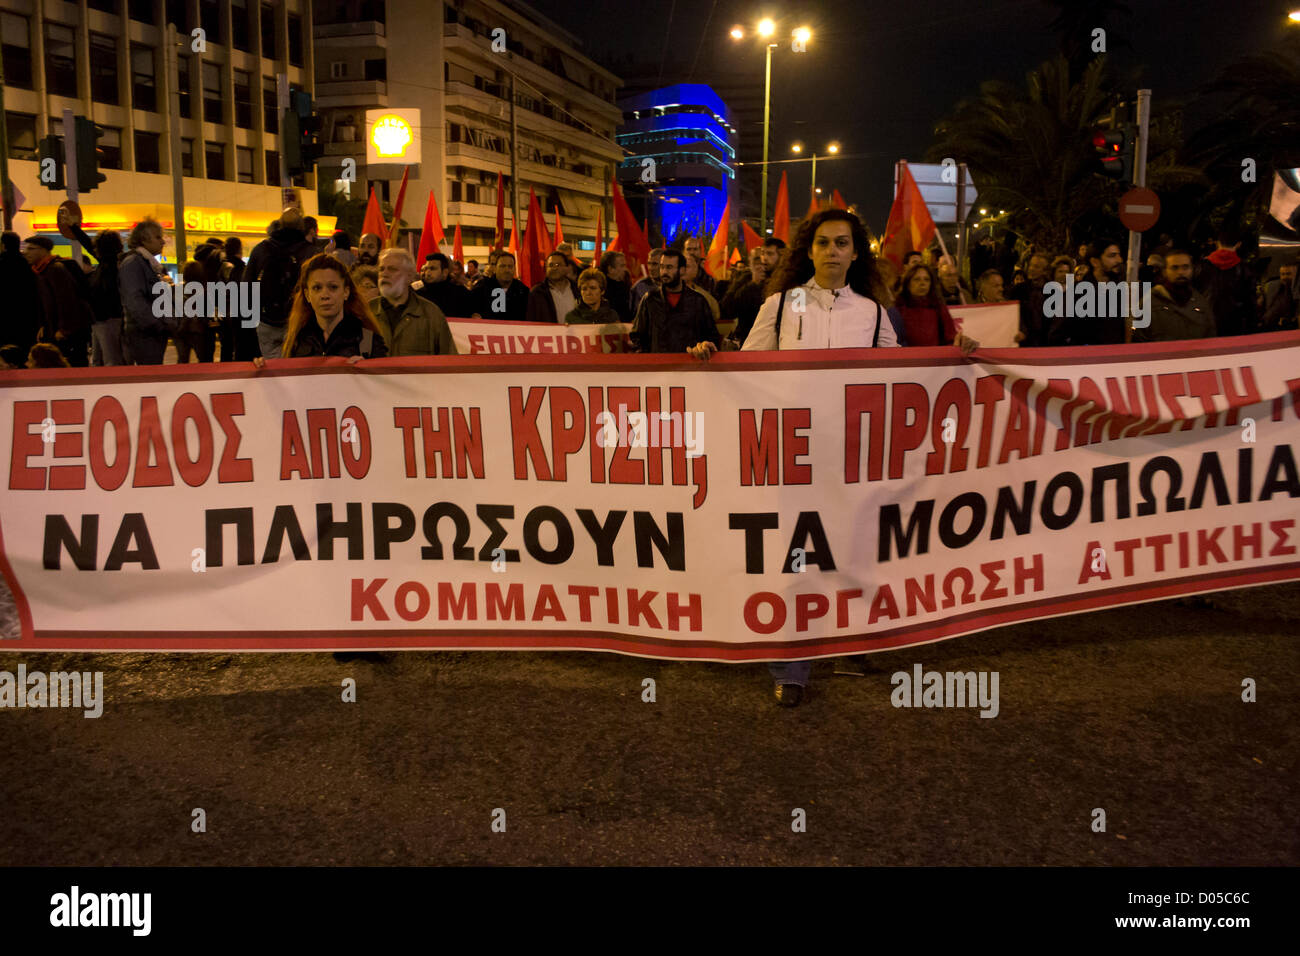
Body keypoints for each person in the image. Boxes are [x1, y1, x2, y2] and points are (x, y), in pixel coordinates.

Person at [697, 210, 923, 705]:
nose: (832, 251)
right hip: (792, 453)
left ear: (855, 252)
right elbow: (747, 365)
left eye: (841, 243)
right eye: (822, 242)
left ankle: (849, 641)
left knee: (852, 547)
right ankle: (791, 664)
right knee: (796, 552)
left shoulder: (873, 312)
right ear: (810, 250)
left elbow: (902, 374)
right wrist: (712, 356)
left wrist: (961, 355)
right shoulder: (780, 306)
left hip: (850, 452)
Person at [253, 254, 388, 363]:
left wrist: (368, 373)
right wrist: (263, 372)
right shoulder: (295, 341)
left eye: (333, 287)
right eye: (317, 288)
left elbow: (385, 389)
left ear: (346, 292)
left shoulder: (368, 341)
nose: (325, 295)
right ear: (307, 295)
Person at [248, 208, 317, 358]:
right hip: (299, 321)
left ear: (280, 224)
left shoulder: (261, 250)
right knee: (296, 371)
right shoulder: (310, 252)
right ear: (302, 227)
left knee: (272, 370)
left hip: (267, 321)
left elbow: (246, 286)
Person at [630, 248, 720, 355]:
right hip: (659, 366)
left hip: (689, 365)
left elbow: (711, 336)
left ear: (682, 270)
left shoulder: (697, 301)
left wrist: (703, 347)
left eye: (669, 267)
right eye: (662, 267)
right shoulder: (650, 299)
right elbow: (637, 336)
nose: (664, 272)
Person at [371, 248, 457, 356]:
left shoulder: (431, 314)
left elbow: (448, 360)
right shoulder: (366, 311)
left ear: (410, 277)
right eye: (381, 269)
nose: (384, 274)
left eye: (392, 269)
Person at [24, 236, 93, 366]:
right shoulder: (41, 270)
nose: (26, 252)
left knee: (72, 364)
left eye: (31, 249)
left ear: (44, 250)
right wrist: (44, 325)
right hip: (56, 329)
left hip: (68, 331)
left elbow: (67, 300)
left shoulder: (55, 269)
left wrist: (64, 329)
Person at [119, 217, 175, 365]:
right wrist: (157, 324)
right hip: (145, 333)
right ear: (144, 239)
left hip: (150, 331)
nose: (162, 241)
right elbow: (135, 300)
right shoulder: (134, 263)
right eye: (157, 237)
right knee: (151, 375)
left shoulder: (149, 263)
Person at [1136, 250, 1216, 342]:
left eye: (1185, 267)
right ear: (1165, 271)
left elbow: (1210, 337)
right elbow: (1139, 340)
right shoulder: (1149, 303)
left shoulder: (1200, 303)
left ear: (1192, 270)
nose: (1181, 272)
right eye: (1175, 268)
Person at [892, 262, 971, 348]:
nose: (922, 283)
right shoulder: (897, 310)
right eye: (917, 279)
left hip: (935, 358)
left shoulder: (938, 308)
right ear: (908, 284)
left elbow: (950, 338)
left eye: (926, 279)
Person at [1196, 232, 1257, 336]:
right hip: (1235, 320)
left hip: (1207, 317)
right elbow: (1250, 299)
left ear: (1217, 243)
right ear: (1238, 244)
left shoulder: (1202, 265)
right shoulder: (1244, 268)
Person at [87, 230, 125, 366]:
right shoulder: (107, 265)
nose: (94, 250)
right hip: (102, 320)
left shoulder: (110, 267)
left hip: (108, 319)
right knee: (101, 360)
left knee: (110, 360)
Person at [1, 232, 42, 354]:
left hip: (5, 317)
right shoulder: (28, 265)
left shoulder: (2, 263)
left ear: (3, 245)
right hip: (27, 317)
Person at [471, 251, 529, 321]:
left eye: (510, 266)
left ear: (514, 268)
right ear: (495, 268)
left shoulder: (523, 290)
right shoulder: (481, 288)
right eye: (502, 266)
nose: (507, 270)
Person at [525, 251, 578, 324]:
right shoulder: (537, 292)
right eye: (550, 265)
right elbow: (530, 320)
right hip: (548, 334)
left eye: (557, 265)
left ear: (567, 268)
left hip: (577, 334)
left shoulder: (578, 289)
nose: (554, 268)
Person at [415, 252, 474, 318]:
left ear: (445, 272)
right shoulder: (417, 294)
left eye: (432, 269)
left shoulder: (461, 294)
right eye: (426, 269)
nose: (427, 273)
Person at [681, 253, 721, 324]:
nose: (682, 270)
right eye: (680, 266)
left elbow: (716, 315)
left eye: (686, 266)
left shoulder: (703, 295)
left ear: (696, 269)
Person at [1260, 260, 1298, 331]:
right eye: (1282, 274)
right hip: (1267, 326)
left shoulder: (1297, 291)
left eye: (1288, 274)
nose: (1284, 277)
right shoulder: (1271, 286)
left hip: (1288, 327)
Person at [599, 251, 633, 322]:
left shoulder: (624, 286)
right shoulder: (599, 289)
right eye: (622, 266)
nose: (625, 269)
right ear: (610, 269)